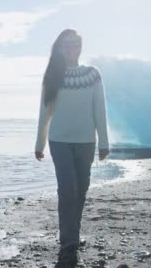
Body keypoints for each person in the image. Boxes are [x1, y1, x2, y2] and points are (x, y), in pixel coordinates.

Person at [34, 29, 110, 268]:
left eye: (74, 44)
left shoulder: (92, 75)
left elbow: (100, 109)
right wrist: (40, 143)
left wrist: (104, 142)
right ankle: (68, 244)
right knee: (67, 191)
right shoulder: (53, 76)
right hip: (60, 142)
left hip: (87, 142)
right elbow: (45, 113)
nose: (70, 48)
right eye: (66, 44)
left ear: (80, 47)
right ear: (59, 48)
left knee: (81, 192)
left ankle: (72, 236)